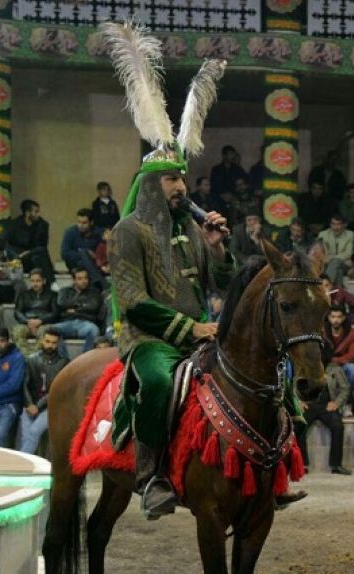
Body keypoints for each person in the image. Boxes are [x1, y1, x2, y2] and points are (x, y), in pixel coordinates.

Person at [106, 38, 237, 518]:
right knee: (159, 382)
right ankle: (150, 474)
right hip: (150, 340)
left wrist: (220, 249)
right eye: (171, 181)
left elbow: (221, 282)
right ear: (151, 187)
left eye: (182, 179)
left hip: (201, 335)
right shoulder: (128, 231)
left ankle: (264, 468)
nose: (182, 186)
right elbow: (133, 301)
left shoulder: (191, 229)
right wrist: (192, 329)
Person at [297, 342, 352, 475]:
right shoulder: (305, 368)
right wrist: (298, 401)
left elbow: (345, 389)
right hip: (309, 404)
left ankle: (336, 465)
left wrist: (337, 403)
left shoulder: (335, 369)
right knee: (298, 425)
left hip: (327, 405)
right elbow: (294, 385)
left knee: (338, 426)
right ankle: (301, 464)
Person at [19, 328, 68, 455]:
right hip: (29, 405)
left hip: (50, 406)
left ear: (58, 343)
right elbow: (24, 384)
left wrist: (38, 406)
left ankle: (20, 465)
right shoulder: (31, 359)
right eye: (47, 341)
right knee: (27, 437)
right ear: (42, 340)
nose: (50, 345)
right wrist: (29, 404)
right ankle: (32, 469)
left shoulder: (63, 363)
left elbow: (55, 389)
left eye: (53, 342)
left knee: (33, 433)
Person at [0, 199, 56, 287]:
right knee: (39, 254)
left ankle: (47, 285)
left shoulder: (42, 225)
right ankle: (53, 282)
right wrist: (15, 255)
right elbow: (3, 242)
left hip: (32, 259)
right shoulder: (13, 225)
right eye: (36, 212)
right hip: (17, 259)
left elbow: (42, 246)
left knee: (38, 257)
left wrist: (29, 252)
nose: (38, 214)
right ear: (27, 213)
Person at [50, 267, 103, 353]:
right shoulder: (65, 291)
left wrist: (74, 309)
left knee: (94, 330)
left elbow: (93, 306)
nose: (84, 281)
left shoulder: (94, 293)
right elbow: (61, 303)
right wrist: (82, 305)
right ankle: (63, 360)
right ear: (74, 280)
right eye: (80, 278)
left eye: (85, 278)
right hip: (67, 322)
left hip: (85, 323)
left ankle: (85, 359)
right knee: (52, 329)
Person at [11, 268, 59, 352]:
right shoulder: (24, 295)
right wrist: (28, 322)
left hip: (44, 323)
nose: (35, 284)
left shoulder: (53, 295)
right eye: (32, 281)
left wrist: (40, 321)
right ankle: (27, 355)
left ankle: (35, 355)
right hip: (27, 323)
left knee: (45, 332)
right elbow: (18, 312)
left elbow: (55, 313)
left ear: (44, 281)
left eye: (38, 281)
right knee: (17, 331)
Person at [323, 304, 354, 387]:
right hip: (325, 365)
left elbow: (352, 355)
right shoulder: (322, 331)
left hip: (343, 364)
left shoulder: (351, 332)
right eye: (333, 317)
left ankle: (349, 395)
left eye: (339, 317)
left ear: (343, 318)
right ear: (329, 317)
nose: (336, 320)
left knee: (353, 369)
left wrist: (336, 360)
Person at [318, 214, 354, 287]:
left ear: (344, 225)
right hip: (327, 265)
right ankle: (337, 293)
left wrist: (332, 258)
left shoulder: (350, 234)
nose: (335, 227)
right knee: (339, 272)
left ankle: (326, 286)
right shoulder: (323, 234)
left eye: (338, 224)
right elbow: (322, 253)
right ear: (330, 225)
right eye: (333, 224)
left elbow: (348, 253)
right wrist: (328, 258)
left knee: (335, 262)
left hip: (344, 264)